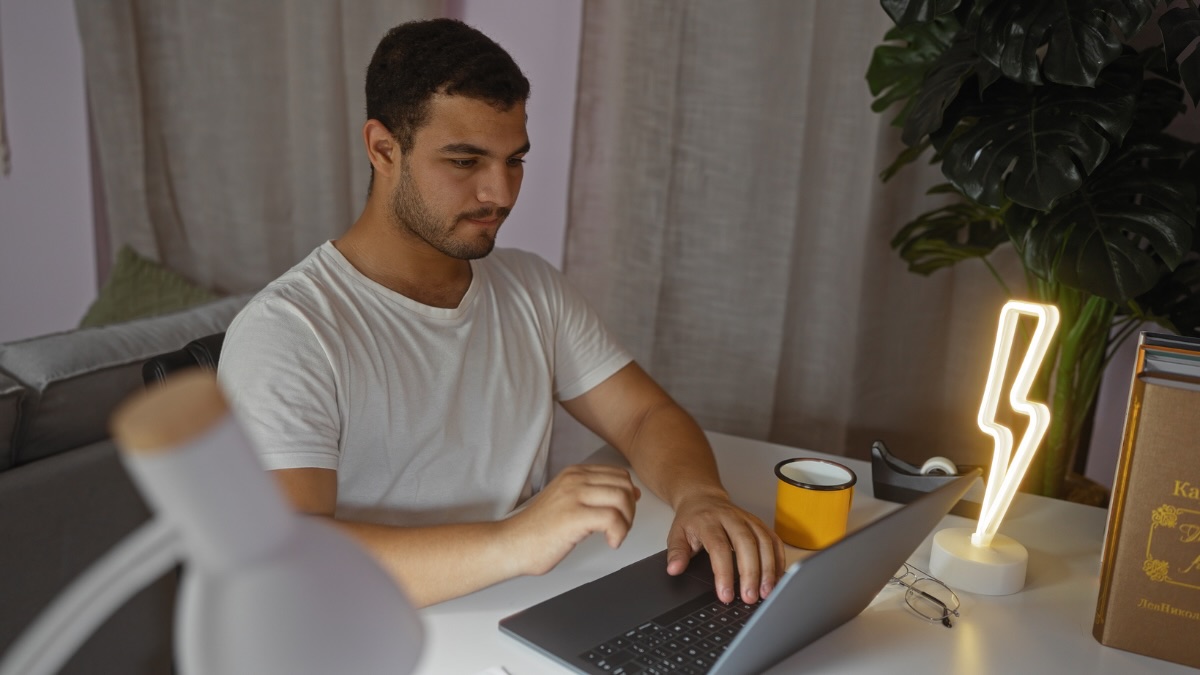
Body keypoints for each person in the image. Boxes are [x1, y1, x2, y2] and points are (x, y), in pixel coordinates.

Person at [217, 17, 784, 608]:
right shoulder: (288, 332)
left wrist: (700, 496)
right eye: (465, 162)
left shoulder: (531, 288)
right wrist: (513, 541)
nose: (502, 193)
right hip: (375, 637)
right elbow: (293, 560)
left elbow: (643, 416)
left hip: (510, 613)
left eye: (514, 160)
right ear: (383, 149)